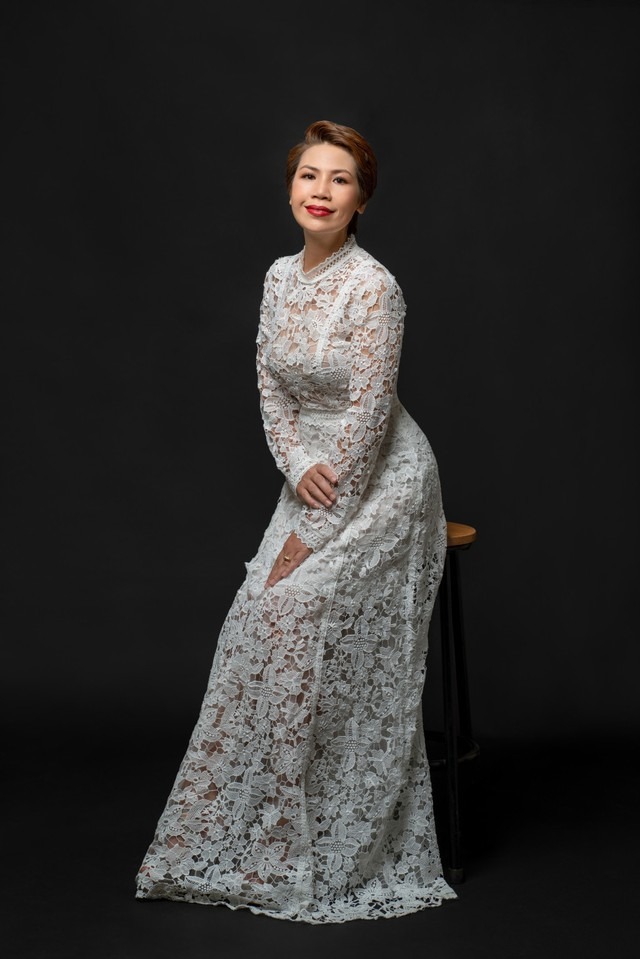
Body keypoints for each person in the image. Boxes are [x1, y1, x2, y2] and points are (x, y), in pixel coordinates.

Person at [135, 119, 456, 923]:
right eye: (310, 174)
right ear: (290, 189)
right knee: (254, 615)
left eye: (340, 179)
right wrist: (292, 463)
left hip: (381, 477)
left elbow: (369, 421)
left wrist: (311, 535)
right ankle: (264, 826)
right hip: (309, 475)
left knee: (296, 603)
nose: (321, 190)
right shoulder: (279, 276)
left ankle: (329, 834)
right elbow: (271, 389)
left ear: (361, 199)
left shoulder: (374, 287)